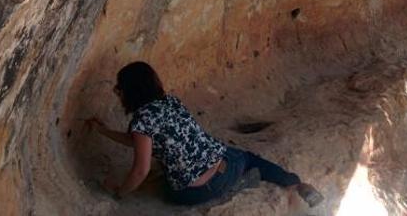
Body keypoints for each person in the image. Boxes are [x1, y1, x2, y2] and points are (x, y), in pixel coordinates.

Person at [86, 61, 323, 208]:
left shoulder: (142, 121)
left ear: (129, 92)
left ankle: (237, 186)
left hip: (196, 192)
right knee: (248, 157)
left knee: (166, 188)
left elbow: (141, 169)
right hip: (227, 167)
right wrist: (102, 131)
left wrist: (118, 192)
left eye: (119, 89)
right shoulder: (170, 102)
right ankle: (296, 184)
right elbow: (139, 143)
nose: (118, 94)